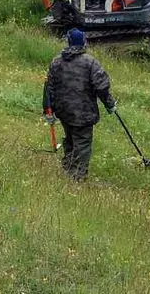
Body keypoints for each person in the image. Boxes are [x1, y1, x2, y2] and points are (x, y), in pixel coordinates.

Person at [42, 29, 116, 182]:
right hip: (83, 113)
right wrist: (110, 104)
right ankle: (77, 177)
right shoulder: (90, 62)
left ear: (68, 42)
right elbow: (102, 87)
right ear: (84, 42)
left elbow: (48, 87)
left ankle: (68, 168)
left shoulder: (56, 62)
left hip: (64, 112)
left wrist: (49, 110)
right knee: (82, 143)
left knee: (69, 138)